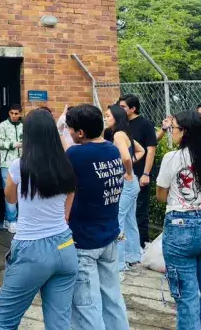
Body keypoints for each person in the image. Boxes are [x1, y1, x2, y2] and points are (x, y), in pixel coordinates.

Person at [0, 109, 77, 330]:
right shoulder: (65, 163)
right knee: (59, 323)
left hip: (32, 248)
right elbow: (70, 194)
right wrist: (64, 216)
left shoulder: (19, 165)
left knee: (2, 322)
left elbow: (10, 198)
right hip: (65, 245)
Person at [156, 111, 201, 330]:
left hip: (180, 227)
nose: (172, 132)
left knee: (186, 297)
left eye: (174, 128)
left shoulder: (172, 158)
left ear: (184, 131)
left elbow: (161, 195)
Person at [65, 104, 129, 330]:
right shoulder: (112, 149)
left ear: (80, 132)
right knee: (113, 299)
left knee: (86, 306)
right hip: (109, 236)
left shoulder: (76, 154)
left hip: (84, 241)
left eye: (70, 128)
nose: (69, 132)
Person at [106, 104, 144, 273]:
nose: (106, 118)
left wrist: (127, 171)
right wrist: (128, 169)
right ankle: (133, 256)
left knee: (119, 220)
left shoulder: (118, 135)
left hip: (127, 183)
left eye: (108, 116)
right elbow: (140, 151)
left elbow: (127, 157)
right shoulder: (125, 133)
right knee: (129, 219)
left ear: (116, 118)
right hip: (131, 182)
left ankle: (120, 263)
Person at [118, 95, 157, 248]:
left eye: (123, 106)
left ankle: (142, 243)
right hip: (124, 175)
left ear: (133, 108)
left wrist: (146, 174)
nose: (120, 109)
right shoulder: (122, 124)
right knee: (127, 213)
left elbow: (151, 149)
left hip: (140, 173)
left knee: (140, 210)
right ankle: (129, 247)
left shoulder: (145, 124)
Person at [0, 104, 23, 233]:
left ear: (20, 114)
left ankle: (19, 218)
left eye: (16, 113)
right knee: (9, 191)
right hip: (7, 163)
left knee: (21, 191)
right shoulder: (3, 125)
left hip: (22, 162)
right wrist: (12, 145)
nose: (14, 116)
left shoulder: (24, 126)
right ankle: (11, 220)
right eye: (12, 113)